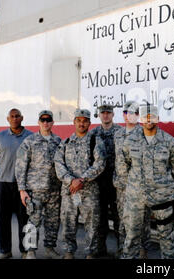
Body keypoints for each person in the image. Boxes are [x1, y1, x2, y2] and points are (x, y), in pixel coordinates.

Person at [118, 104, 174, 259]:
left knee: (166, 234)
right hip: (136, 197)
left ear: (158, 119)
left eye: (153, 116)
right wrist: (135, 183)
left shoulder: (168, 141)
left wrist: (165, 183)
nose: (149, 120)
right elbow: (122, 165)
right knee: (132, 234)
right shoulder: (130, 141)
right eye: (146, 117)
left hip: (163, 196)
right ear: (141, 119)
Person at [54, 108, 106, 259]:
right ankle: (69, 251)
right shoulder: (66, 142)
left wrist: (82, 179)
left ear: (89, 123)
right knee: (68, 222)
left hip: (88, 191)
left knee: (92, 225)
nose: (81, 124)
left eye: (85, 121)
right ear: (74, 122)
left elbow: (100, 163)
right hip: (70, 191)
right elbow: (58, 163)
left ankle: (91, 252)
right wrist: (71, 180)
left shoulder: (96, 141)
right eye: (79, 120)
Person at [14, 110, 62, 259]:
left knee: (53, 222)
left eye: (48, 120)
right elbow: (21, 166)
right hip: (35, 190)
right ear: (38, 122)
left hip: (54, 190)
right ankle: (30, 251)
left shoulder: (58, 142)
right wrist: (22, 190)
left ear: (53, 122)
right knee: (33, 222)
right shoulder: (30, 141)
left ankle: (50, 249)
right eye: (43, 120)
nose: (46, 123)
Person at [0, 108, 33, 259]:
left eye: (17, 116)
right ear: (8, 119)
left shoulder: (30, 136)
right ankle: (5, 251)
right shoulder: (0, 136)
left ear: (22, 118)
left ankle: (25, 251)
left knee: (24, 220)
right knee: (3, 220)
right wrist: (4, 166)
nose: (14, 118)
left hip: (23, 186)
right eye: (12, 116)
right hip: (3, 183)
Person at [114, 101, 151, 258]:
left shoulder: (144, 133)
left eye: (135, 113)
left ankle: (143, 250)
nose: (130, 116)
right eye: (127, 112)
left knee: (142, 220)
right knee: (123, 219)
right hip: (122, 186)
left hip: (139, 186)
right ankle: (125, 251)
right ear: (124, 115)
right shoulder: (118, 134)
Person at [90, 104, 124, 257]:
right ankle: (100, 247)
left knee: (119, 216)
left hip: (117, 181)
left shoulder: (121, 132)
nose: (105, 115)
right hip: (99, 181)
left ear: (113, 114)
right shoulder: (93, 134)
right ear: (99, 115)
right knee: (100, 216)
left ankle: (121, 248)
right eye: (102, 113)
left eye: (108, 113)